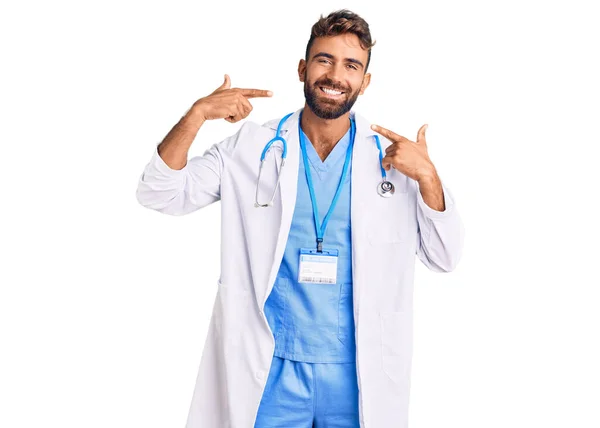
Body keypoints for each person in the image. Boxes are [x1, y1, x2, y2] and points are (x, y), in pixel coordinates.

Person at [136, 9, 464, 428]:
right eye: (325, 60)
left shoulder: (396, 161)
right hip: (268, 372)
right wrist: (197, 115)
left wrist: (429, 177)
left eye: (351, 66)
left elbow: (445, 256)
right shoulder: (251, 147)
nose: (335, 75)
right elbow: (159, 192)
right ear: (303, 69)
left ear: (365, 81)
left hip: (356, 374)